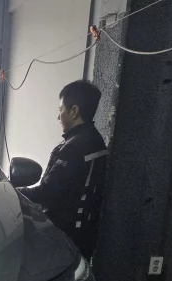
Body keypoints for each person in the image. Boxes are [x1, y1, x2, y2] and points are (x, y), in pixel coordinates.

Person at [17, 80, 108, 259]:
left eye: (61, 110)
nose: (58, 117)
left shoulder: (74, 148)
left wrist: (13, 193)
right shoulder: (96, 141)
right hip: (85, 237)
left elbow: (46, 192)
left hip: (64, 238)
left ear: (74, 111)